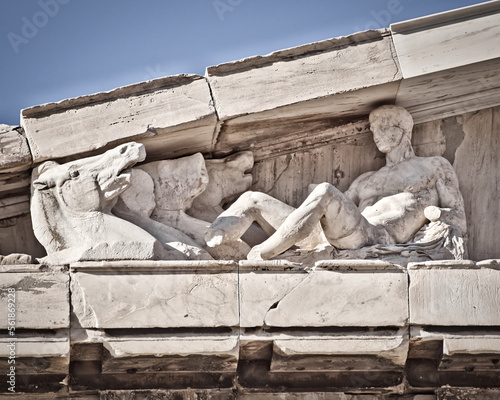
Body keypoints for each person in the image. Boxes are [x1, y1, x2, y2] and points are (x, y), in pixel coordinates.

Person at [205, 105, 467, 260]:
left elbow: (458, 216)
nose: (377, 134)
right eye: (374, 129)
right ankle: (212, 241)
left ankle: (263, 253)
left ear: (403, 129)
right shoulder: (367, 179)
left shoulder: (433, 166)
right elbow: (336, 210)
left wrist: (437, 214)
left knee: (325, 192)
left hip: (376, 236)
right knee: (252, 199)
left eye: (384, 126)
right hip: (339, 234)